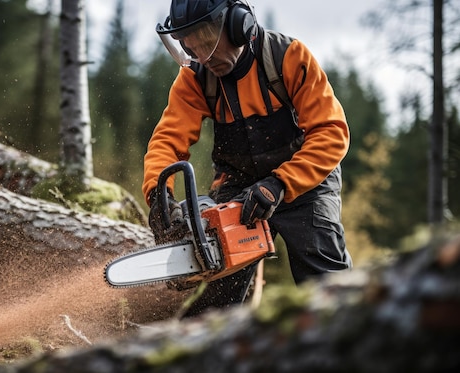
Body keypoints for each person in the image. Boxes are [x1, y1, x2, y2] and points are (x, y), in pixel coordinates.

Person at [143, 0, 352, 316]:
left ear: (238, 24)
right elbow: (168, 141)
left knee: (322, 269)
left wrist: (280, 183)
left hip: (305, 181)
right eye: (191, 46)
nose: (203, 57)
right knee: (218, 291)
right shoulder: (196, 77)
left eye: (208, 42)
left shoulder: (287, 57)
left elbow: (331, 131)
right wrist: (159, 195)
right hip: (240, 185)